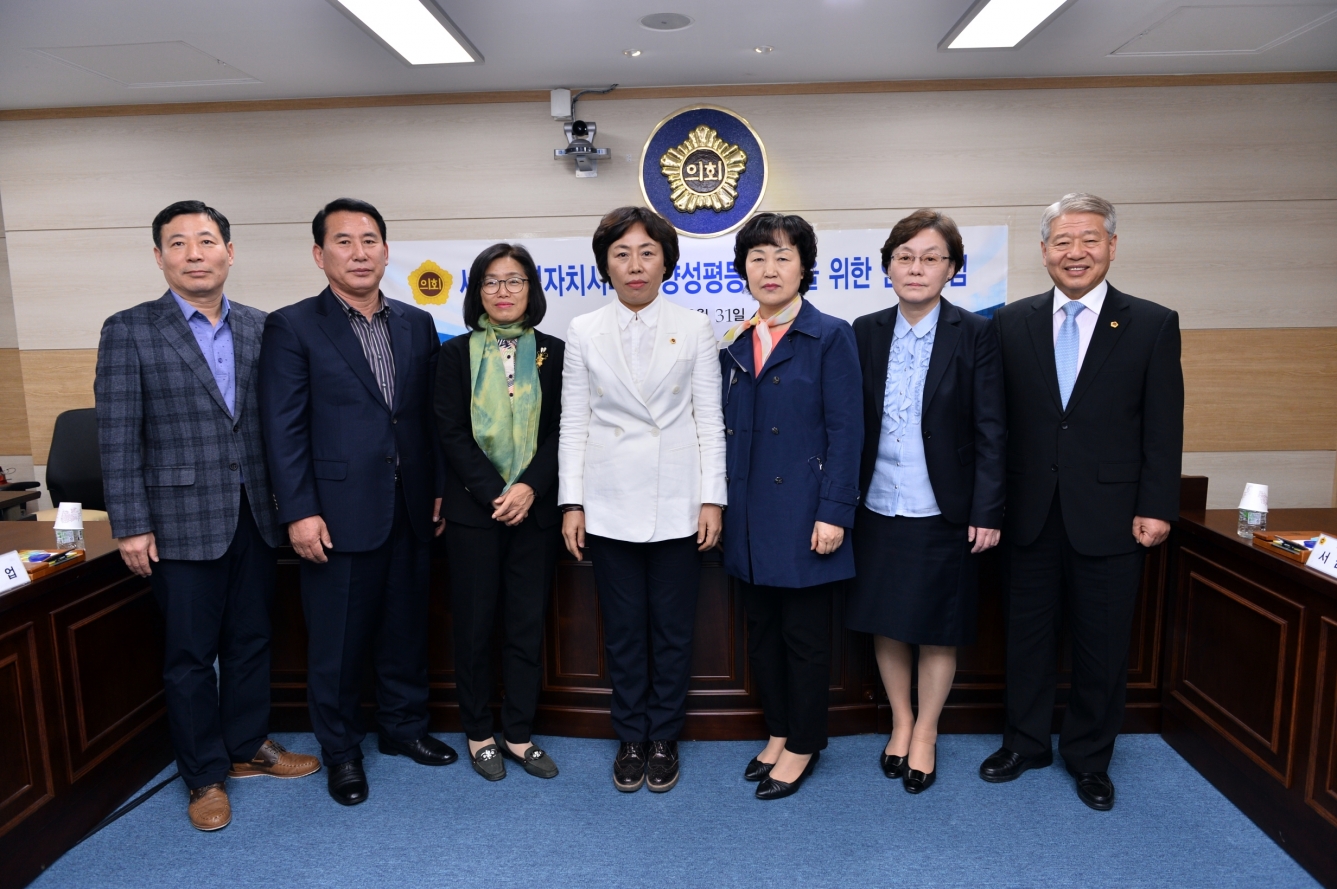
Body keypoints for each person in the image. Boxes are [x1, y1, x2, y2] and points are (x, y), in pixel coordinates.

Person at [94, 200, 319, 832]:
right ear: (159, 256)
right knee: (191, 655)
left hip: (255, 514)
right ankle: (203, 775)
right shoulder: (130, 329)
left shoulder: (261, 326)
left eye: (207, 240)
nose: (195, 254)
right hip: (177, 520)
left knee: (252, 640)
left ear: (229, 251)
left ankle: (248, 747)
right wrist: (131, 523)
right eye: (179, 243)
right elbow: (117, 436)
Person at [981, 193, 1183, 811]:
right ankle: (1025, 741)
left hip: (1113, 514)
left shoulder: (1150, 322)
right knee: (1027, 636)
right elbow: (997, 423)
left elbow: (1163, 425)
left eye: (1089, 240)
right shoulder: (1009, 322)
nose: (1076, 253)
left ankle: (1090, 757)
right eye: (1063, 242)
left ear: (1112, 247)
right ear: (1043, 251)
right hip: (1029, 510)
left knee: (1102, 644)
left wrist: (1158, 505)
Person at [258, 197, 454, 807]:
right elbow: (282, 427)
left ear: (387, 252)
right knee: (338, 642)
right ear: (320, 255)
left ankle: (403, 730)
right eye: (343, 241)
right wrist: (298, 510)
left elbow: (426, 417)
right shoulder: (292, 326)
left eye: (370, 240)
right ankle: (341, 751)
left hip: (411, 504)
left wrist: (440, 486)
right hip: (335, 513)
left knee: (404, 628)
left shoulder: (416, 323)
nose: (359, 252)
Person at [558, 206, 727, 793]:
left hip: (679, 499)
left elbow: (709, 418)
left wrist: (713, 499)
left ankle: (664, 737)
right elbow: (573, 423)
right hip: (608, 502)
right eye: (622, 253)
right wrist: (572, 503)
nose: (635, 265)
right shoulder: (583, 331)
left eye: (647, 252)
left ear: (666, 261)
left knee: (674, 630)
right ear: (606, 262)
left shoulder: (697, 326)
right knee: (625, 630)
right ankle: (631, 735)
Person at [847, 209, 1006, 794]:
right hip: (877, 502)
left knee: (938, 625)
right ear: (888, 266)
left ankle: (928, 731)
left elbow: (993, 428)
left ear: (952, 269)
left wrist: (987, 510)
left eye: (931, 258)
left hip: (945, 507)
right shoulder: (863, 331)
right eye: (905, 257)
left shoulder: (977, 333)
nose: (916, 269)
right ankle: (902, 719)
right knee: (887, 622)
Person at [718, 212, 862, 801]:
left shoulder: (830, 334)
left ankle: (804, 742)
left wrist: (834, 513)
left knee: (804, 639)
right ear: (743, 271)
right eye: (757, 258)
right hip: (749, 517)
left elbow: (847, 430)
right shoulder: (737, 342)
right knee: (762, 636)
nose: (769, 269)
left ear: (805, 266)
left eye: (782, 256)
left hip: (807, 515)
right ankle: (778, 730)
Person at [434, 243, 564, 781]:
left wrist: (529, 487)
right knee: (474, 627)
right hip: (474, 514)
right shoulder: (452, 354)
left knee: (526, 627)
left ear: (531, 289)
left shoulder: (554, 353)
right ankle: (479, 732)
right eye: (491, 281)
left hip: (533, 514)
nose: (503, 291)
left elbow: (563, 430)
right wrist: (496, 492)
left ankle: (518, 733)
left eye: (514, 281)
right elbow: (450, 431)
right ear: (476, 291)